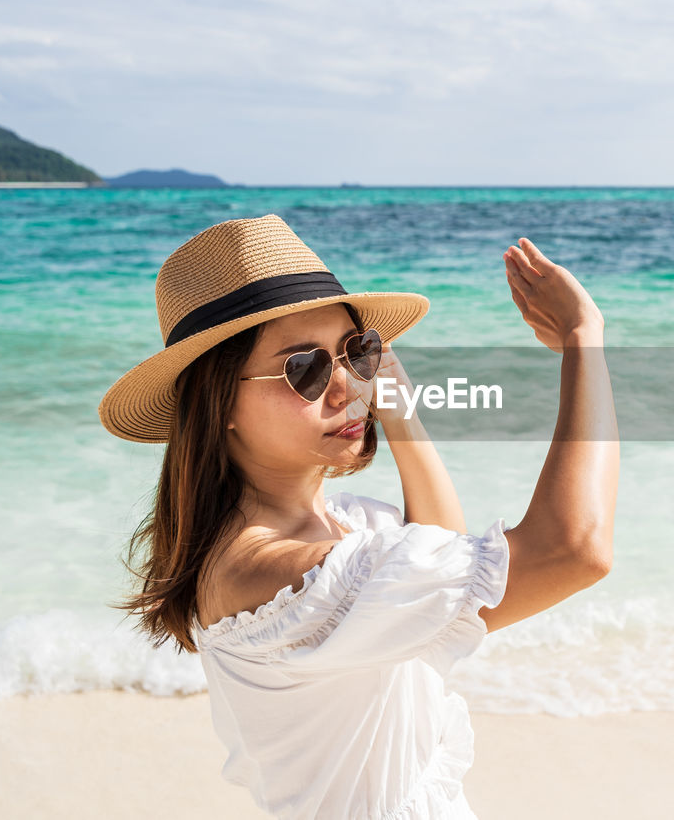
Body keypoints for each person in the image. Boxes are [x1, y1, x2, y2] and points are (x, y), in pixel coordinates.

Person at [97, 213, 619, 819]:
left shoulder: (341, 524)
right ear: (220, 403)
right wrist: (583, 339)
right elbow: (574, 551)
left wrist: (397, 408)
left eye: (357, 352)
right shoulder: (278, 575)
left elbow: (436, 556)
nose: (345, 386)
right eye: (304, 369)